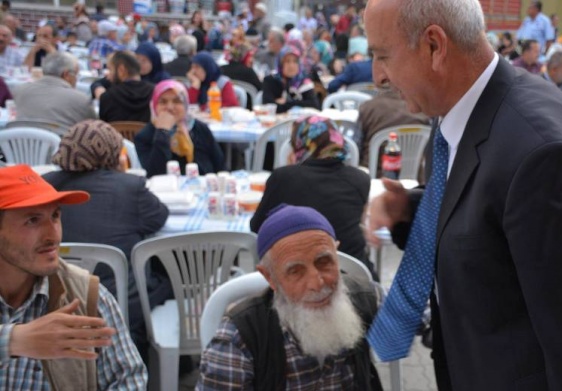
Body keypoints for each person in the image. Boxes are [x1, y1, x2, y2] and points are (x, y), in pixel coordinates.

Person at [364, 0, 562, 389]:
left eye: (382, 55)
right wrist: (412, 209)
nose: (378, 76)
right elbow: (498, 221)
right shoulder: (467, 116)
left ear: (435, 46)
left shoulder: (545, 159)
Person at [198, 204, 383, 390]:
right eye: (295, 271)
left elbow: (409, 321)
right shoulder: (238, 339)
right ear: (270, 277)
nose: (316, 284)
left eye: (324, 261)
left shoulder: (365, 297)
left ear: (336, 254)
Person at [0, 164, 147, 389]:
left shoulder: (85, 295)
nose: (53, 234)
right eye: (33, 220)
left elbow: (129, 379)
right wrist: (12, 340)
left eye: (55, 216)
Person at [43, 119, 171, 360]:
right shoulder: (129, 187)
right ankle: (171, 364)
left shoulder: (47, 185)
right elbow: (159, 217)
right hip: (120, 301)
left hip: (56, 296)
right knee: (165, 279)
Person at [251, 115, 373, 273]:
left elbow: (256, 227)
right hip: (353, 273)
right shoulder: (360, 179)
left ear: (301, 144)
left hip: (299, 276)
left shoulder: (283, 177)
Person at [135, 79, 225, 177]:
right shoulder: (145, 136)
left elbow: (221, 167)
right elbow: (155, 174)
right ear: (154, 106)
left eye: (177, 101)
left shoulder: (199, 129)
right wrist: (163, 132)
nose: (169, 107)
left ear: (186, 105)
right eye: (163, 102)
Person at [13, 51, 96, 128]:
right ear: (66, 74)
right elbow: (93, 127)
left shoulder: (20, 91)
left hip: (22, 142)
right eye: (75, 75)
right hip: (59, 143)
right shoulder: (80, 99)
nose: (76, 79)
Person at [357, 89, 430, 168]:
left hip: (373, 171)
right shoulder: (420, 109)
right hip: (414, 174)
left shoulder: (368, 107)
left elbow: (357, 146)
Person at [99, 50, 155, 123]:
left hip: (115, 134)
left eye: (110, 69)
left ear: (121, 70)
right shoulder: (154, 92)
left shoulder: (107, 97)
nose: (108, 76)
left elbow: (103, 129)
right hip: (147, 134)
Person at [262, 45, 319, 113]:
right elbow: (268, 106)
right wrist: (301, 103)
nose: (291, 66)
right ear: (280, 64)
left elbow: (315, 106)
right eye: (287, 61)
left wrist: (287, 102)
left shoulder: (304, 82)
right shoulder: (271, 80)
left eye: (295, 62)